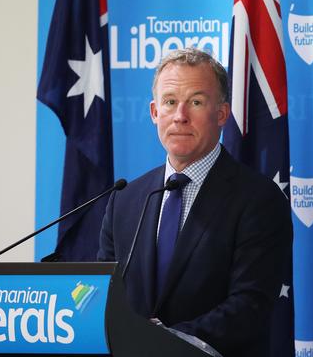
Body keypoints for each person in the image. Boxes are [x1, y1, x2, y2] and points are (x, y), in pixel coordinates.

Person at [97, 48, 293, 357]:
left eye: (196, 102)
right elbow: (105, 298)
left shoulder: (259, 199)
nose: (180, 116)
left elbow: (249, 305)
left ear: (221, 114)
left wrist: (165, 341)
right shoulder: (124, 200)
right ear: (154, 112)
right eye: (170, 102)